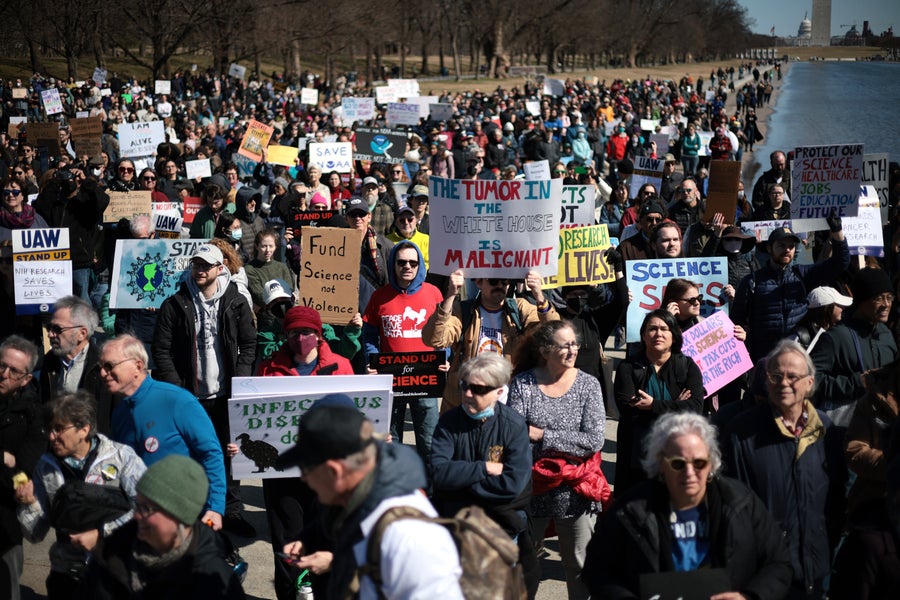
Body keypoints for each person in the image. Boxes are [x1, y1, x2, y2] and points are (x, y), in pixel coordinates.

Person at [583, 412, 792, 599]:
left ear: (711, 462)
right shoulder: (630, 511)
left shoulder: (742, 502)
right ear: (661, 463)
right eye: (678, 464)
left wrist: (748, 596)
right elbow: (597, 570)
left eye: (699, 463)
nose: (690, 473)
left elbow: (778, 562)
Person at [279, 394, 464, 599]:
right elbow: (331, 522)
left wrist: (335, 562)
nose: (303, 478)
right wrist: (307, 540)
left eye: (306, 469)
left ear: (335, 471)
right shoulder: (353, 493)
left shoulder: (408, 537)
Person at [725, 340, 847, 598]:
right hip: (764, 574)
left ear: (810, 383)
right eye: (776, 376)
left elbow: (837, 498)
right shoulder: (741, 432)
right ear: (766, 381)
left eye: (793, 376)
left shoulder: (828, 431)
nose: (784, 383)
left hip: (816, 569)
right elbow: (733, 505)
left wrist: (825, 539)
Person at [152, 243, 256, 537]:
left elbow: (249, 343)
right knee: (193, 454)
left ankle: (231, 512)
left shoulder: (236, 302)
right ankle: (195, 511)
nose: (199, 269)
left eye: (206, 265)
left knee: (229, 454)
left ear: (219, 269)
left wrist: (242, 381)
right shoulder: (175, 304)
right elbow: (161, 351)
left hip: (225, 393)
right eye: (196, 264)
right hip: (189, 396)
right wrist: (176, 390)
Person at [256, 307, 354, 600]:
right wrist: (239, 444)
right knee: (286, 542)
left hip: (326, 472)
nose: (301, 338)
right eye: (294, 333)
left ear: (318, 334)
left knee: (326, 539)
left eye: (307, 332)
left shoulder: (341, 366)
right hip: (282, 473)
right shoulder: (268, 368)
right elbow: (253, 417)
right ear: (286, 336)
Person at [15, 391, 147, 599]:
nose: (51, 437)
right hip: (66, 575)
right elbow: (35, 534)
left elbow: (147, 510)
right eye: (48, 429)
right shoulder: (45, 466)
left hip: (115, 570)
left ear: (84, 429)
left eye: (59, 429)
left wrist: (102, 534)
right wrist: (29, 504)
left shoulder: (122, 457)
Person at [508, 321, 606, 600]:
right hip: (531, 490)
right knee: (521, 565)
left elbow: (593, 441)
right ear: (545, 350)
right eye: (565, 345)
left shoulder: (588, 385)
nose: (573, 349)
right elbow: (516, 436)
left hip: (576, 492)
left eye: (574, 344)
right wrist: (565, 442)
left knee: (579, 568)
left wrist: (542, 435)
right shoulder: (523, 383)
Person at [430, 353, 538, 597]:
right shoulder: (448, 422)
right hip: (456, 530)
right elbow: (438, 473)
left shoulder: (513, 425)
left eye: (478, 389)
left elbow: (513, 485)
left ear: (499, 392)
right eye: (464, 385)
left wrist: (461, 484)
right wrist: (484, 468)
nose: (468, 394)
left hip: (500, 531)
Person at [103, 334, 227, 531]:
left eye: (110, 366)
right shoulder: (120, 413)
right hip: (143, 521)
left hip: (186, 518)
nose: (103, 373)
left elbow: (211, 453)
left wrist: (215, 508)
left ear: (137, 365)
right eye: (101, 367)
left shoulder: (176, 400)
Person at [76, 455, 245, 599]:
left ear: (181, 516)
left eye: (147, 509)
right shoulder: (114, 550)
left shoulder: (215, 583)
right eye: (137, 505)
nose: (137, 516)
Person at [423, 269, 558, 414]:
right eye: (493, 281)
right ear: (479, 282)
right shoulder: (463, 310)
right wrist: (451, 294)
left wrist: (539, 296)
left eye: (505, 281)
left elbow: (554, 334)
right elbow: (434, 339)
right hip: (466, 405)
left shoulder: (519, 309)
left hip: (508, 406)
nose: (500, 285)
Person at [363, 241, 445, 458]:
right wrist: (372, 361)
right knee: (392, 443)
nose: (407, 266)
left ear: (419, 265)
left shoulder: (434, 294)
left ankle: (430, 489)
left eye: (412, 262)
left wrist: (445, 357)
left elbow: (444, 334)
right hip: (391, 380)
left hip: (426, 381)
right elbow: (370, 336)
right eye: (402, 262)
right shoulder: (379, 297)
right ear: (393, 264)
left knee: (429, 443)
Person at [732, 218, 849, 362]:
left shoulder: (802, 275)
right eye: (781, 245)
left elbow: (840, 262)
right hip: (764, 360)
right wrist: (743, 334)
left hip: (798, 358)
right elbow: (735, 322)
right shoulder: (752, 282)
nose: (787, 249)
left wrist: (837, 231)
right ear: (769, 248)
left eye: (791, 246)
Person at [614, 309, 704, 493]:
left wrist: (653, 405)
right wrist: (676, 405)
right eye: (652, 329)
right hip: (637, 457)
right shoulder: (628, 367)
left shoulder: (687, 366)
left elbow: (695, 409)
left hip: (678, 454)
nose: (658, 333)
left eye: (664, 328)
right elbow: (629, 410)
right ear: (644, 335)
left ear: (674, 335)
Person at [810, 267, 899, 423]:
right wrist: (857, 382)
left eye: (889, 297)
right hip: (847, 431)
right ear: (861, 301)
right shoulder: (836, 337)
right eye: (878, 298)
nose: (886, 304)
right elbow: (809, 379)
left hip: (885, 432)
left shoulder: (886, 334)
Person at [0, 335, 44, 600]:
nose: (3, 374)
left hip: (5, 523)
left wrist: (14, 469)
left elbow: (22, 475)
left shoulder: (34, 417)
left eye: (13, 371)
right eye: (1, 366)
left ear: (26, 378)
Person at [33, 162, 109, 303]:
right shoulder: (54, 203)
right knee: (58, 301)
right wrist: (56, 180)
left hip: (78, 260)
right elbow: (39, 206)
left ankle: (85, 324)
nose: (70, 181)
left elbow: (103, 200)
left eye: (73, 178)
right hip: (55, 259)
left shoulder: (85, 203)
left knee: (81, 300)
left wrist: (86, 180)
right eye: (67, 178)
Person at [39, 296, 114, 432]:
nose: (50, 334)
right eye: (49, 327)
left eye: (57, 329)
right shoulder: (49, 361)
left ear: (81, 333)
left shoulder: (105, 367)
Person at [789, 286, 853, 352]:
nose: (843, 308)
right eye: (839, 304)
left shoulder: (832, 332)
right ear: (827, 308)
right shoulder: (800, 337)